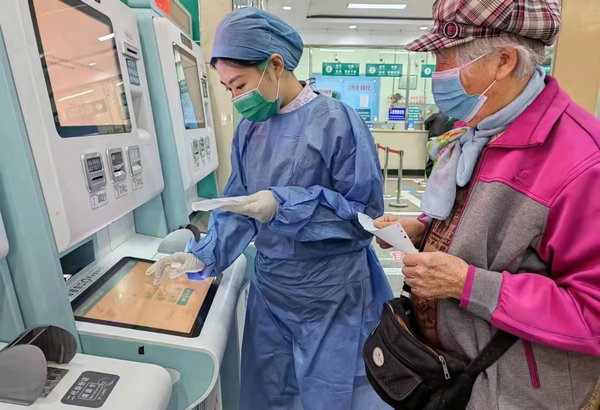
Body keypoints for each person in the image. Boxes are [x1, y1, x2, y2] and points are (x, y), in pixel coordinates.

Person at [147, 7, 393, 410]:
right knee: (269, 396)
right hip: (272, 294)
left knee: (330, 397)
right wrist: (201, 256)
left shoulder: (336, 122)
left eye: (240, 85)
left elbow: (364, 217)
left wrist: (285, 204)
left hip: (332, 296)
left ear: (275, 66)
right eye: (228, 89)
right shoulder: (250, 129)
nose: (236, 98)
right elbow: (236, 205)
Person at [373, 0, 600, 408]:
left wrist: (468, 284)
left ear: (503, 61)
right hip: (450, 371)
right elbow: (474, 218)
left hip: (511, 392)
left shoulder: (582, 162)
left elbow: (593, 311)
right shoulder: (479, 128)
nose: (436, 73)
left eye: (445, 58)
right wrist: (424, 229)